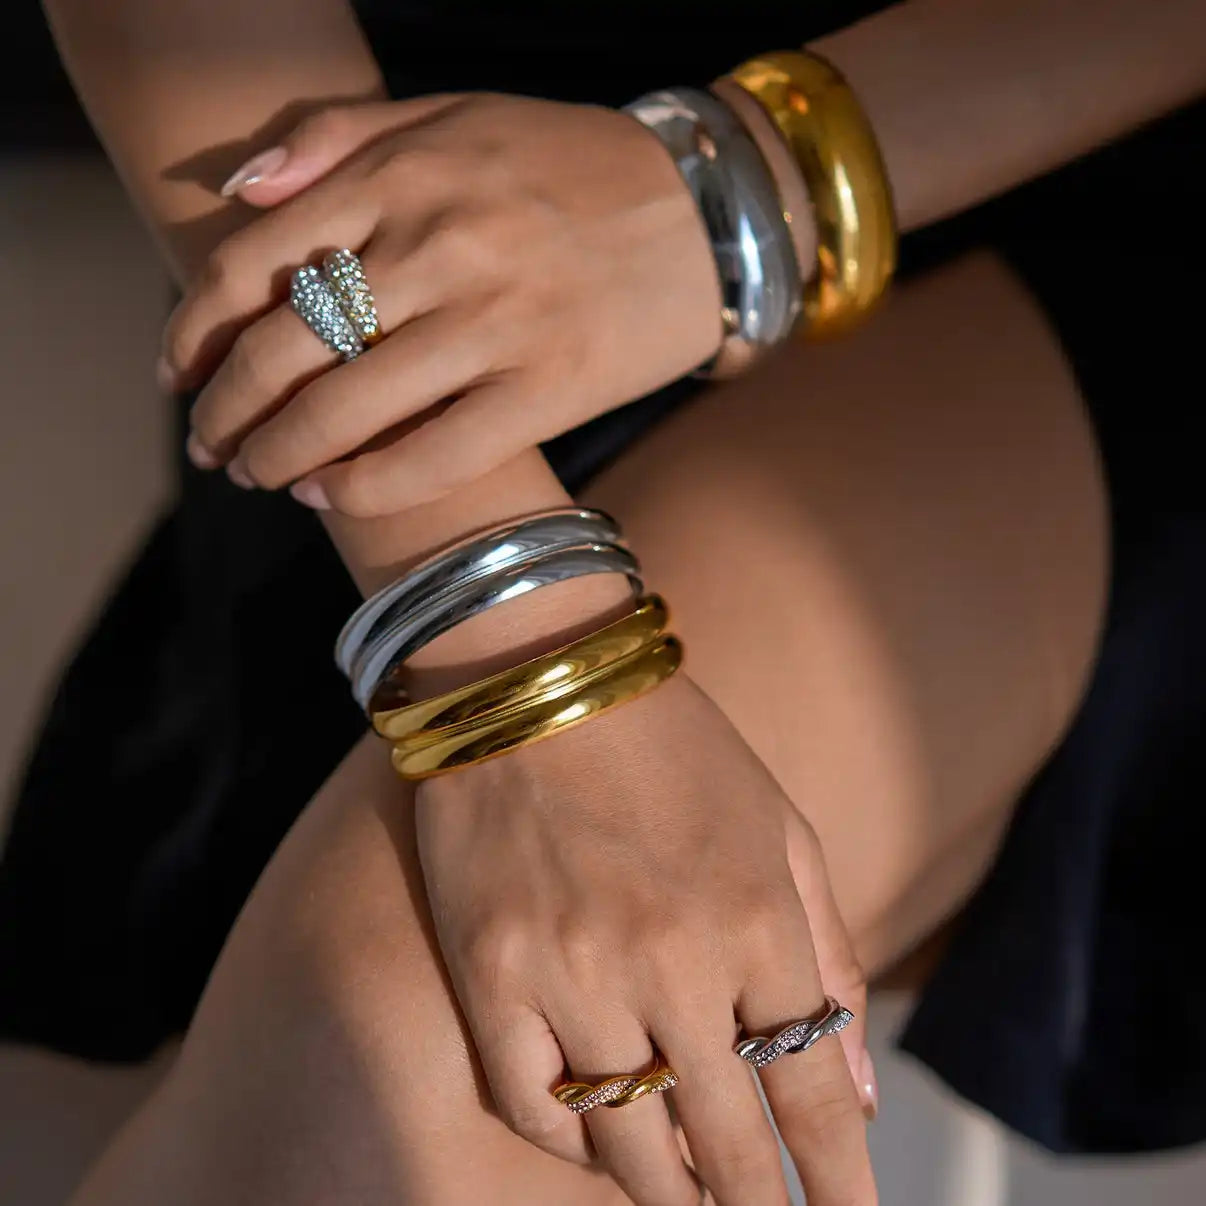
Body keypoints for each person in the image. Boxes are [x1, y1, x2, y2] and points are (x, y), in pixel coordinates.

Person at [2, 1, 1204, 1202]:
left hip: (1098, 174)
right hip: (424, 213)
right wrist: (517, 646)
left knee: (411, 1084)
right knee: (412, 1082)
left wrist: (738, 184)